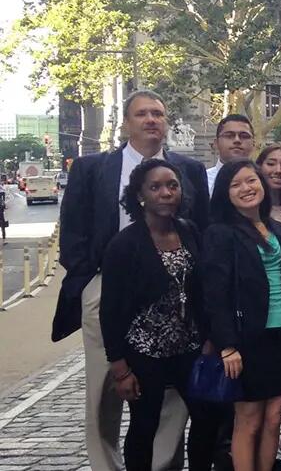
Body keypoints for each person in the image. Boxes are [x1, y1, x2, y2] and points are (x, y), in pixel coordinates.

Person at [55, 90, 209, 471]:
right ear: (126, 122)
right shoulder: (93, 168)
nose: (151, 120)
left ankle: (161, 464)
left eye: (158, 113)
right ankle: (106, 465)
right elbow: (72, 231)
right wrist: (89, 275)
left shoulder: (188, 170)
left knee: (173, 396)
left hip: (174, 294)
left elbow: (201, 229)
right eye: (142, 113)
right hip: (107, 287)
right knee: (106, 385)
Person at [99, 159, 219, 471]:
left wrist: (208, 339)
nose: (166, 193)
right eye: (156, 187)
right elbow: (110, 310)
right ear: (141, 195)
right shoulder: (124, 244)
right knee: (145, 424)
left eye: (172, 186)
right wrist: (120, 369)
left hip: (189, 347)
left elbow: (203, 290)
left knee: (206, 417)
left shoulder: (190, 231)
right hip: (145, 351)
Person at [204, 160, 281, 471]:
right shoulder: (220, 234)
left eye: (251, 181)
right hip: (246, 339)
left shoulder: (279, 229)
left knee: (274, 417)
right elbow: (215, 294)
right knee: (248, 420)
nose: (246, 189)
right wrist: (227, 345)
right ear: (226, 194)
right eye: (236, 184)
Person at [207, 114, 256, 193]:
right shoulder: (201, 181)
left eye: (244, 136)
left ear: (254, 144)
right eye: (229, 136)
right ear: (216, 143)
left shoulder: (263, 182)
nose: (237, 140)